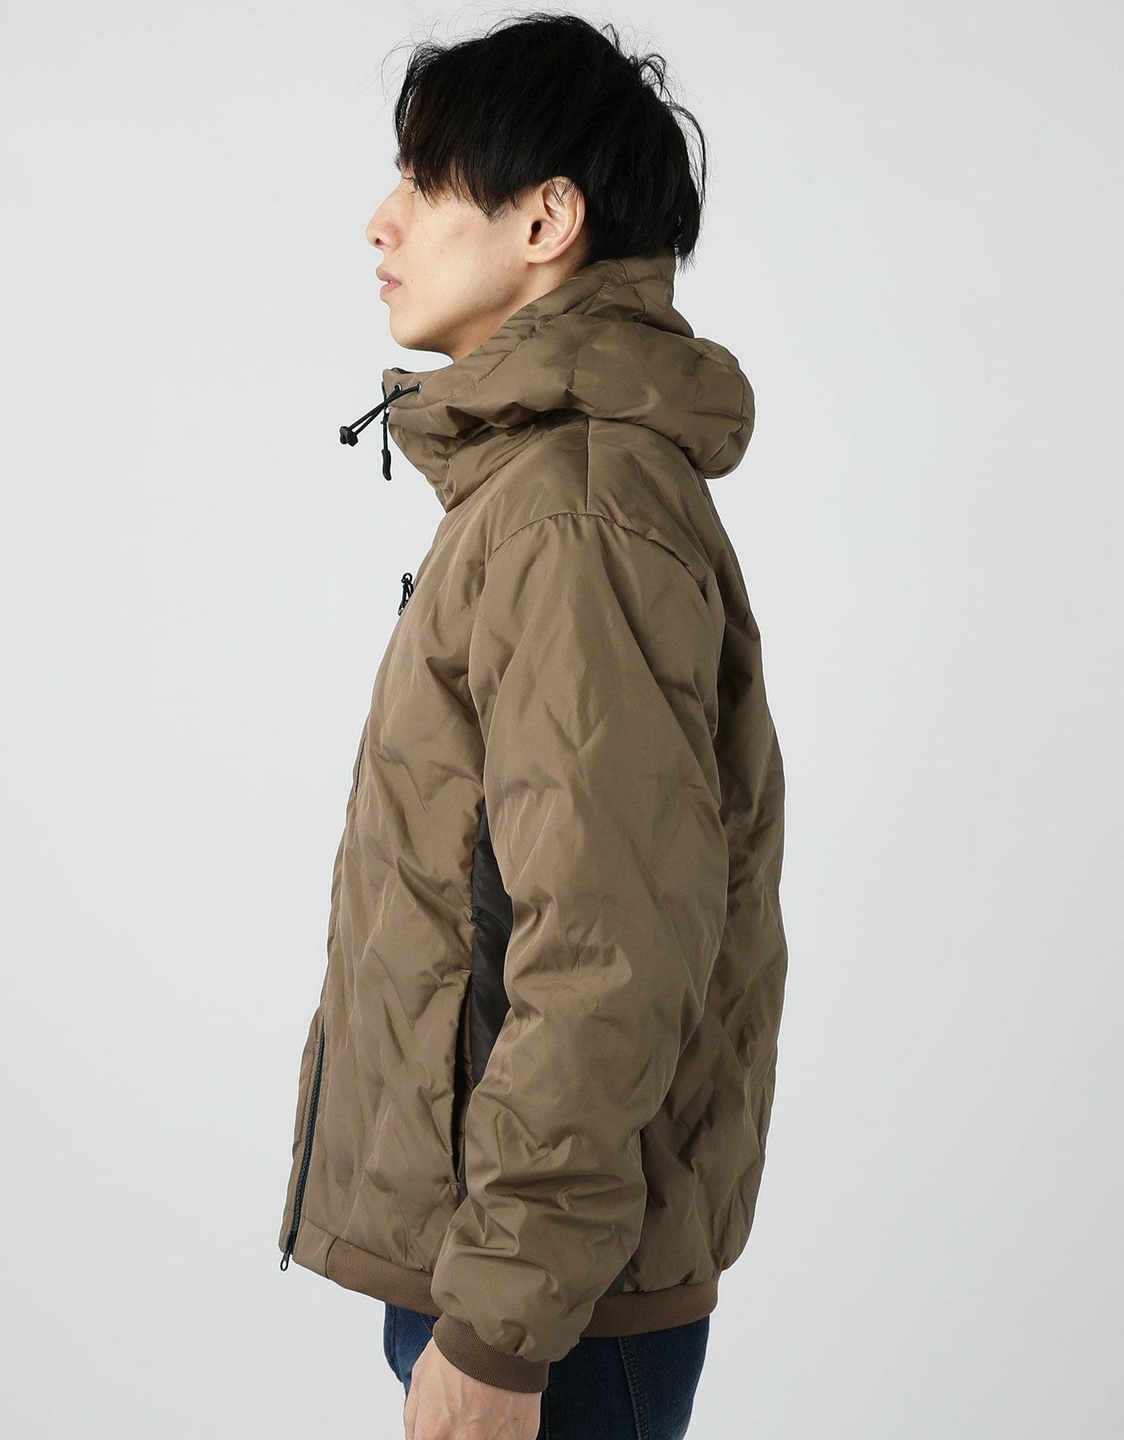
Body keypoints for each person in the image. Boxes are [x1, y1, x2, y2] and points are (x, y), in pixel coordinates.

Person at [277, 13, 789, 1440]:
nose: (381, 222)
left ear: (546, 220)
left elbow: (606, 942)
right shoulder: (540, 492)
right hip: (519, 1275)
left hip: (544, 1309)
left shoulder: (573, 511)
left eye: (425, 181)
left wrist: (500, 1330)